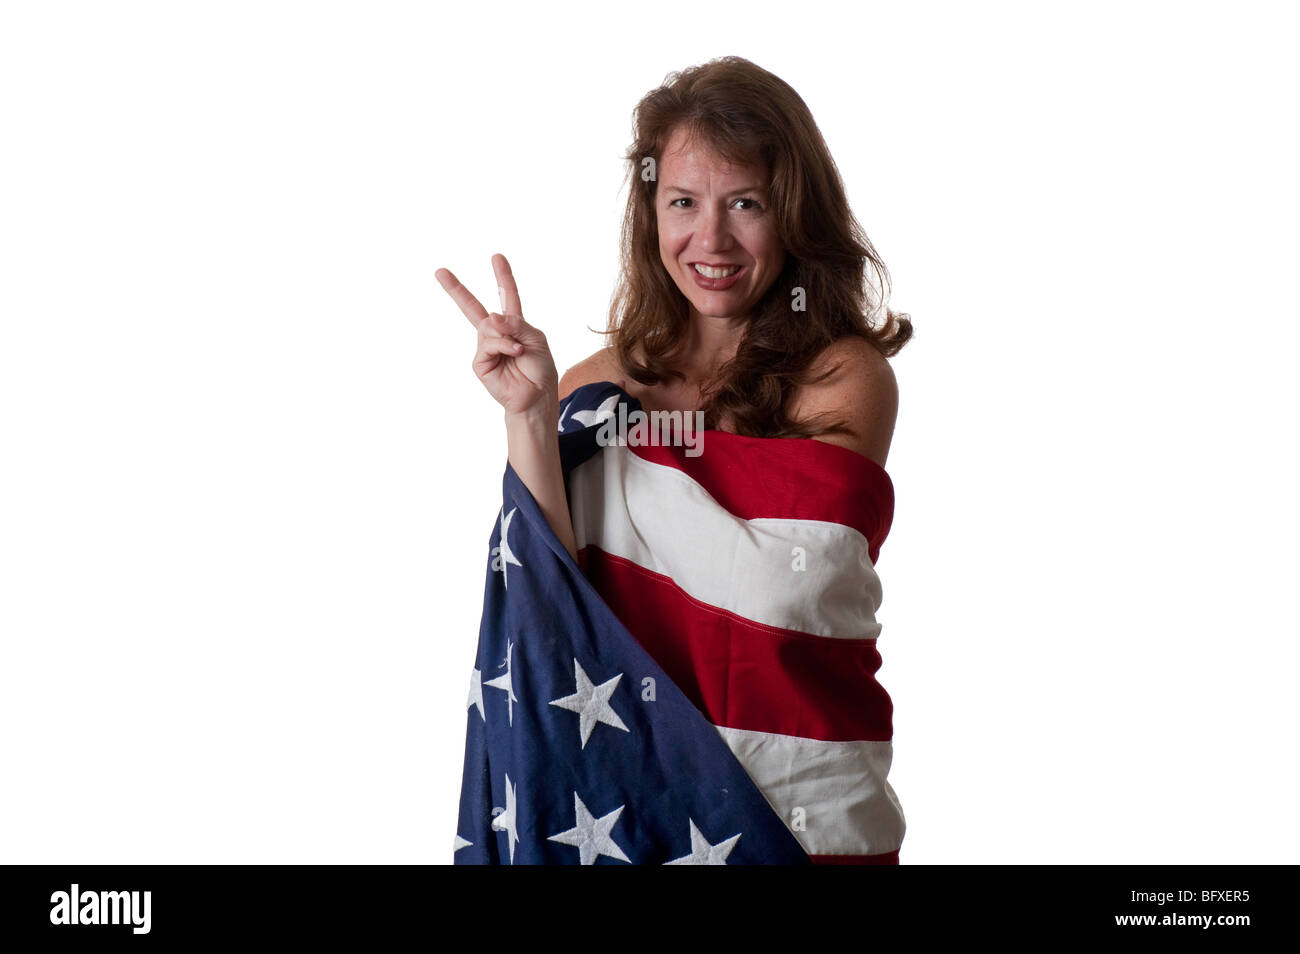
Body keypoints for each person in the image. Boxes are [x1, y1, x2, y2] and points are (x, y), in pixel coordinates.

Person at [438, 56, 912, 864]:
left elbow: (780, 588)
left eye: (746, 204)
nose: (711, 239)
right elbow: (553, 587)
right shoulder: (592, 387)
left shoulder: (844, 380)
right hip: (632, 794)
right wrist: (530, 414)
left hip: (791, 807)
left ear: (792, 214)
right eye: (683, 202)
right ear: (649, 213)